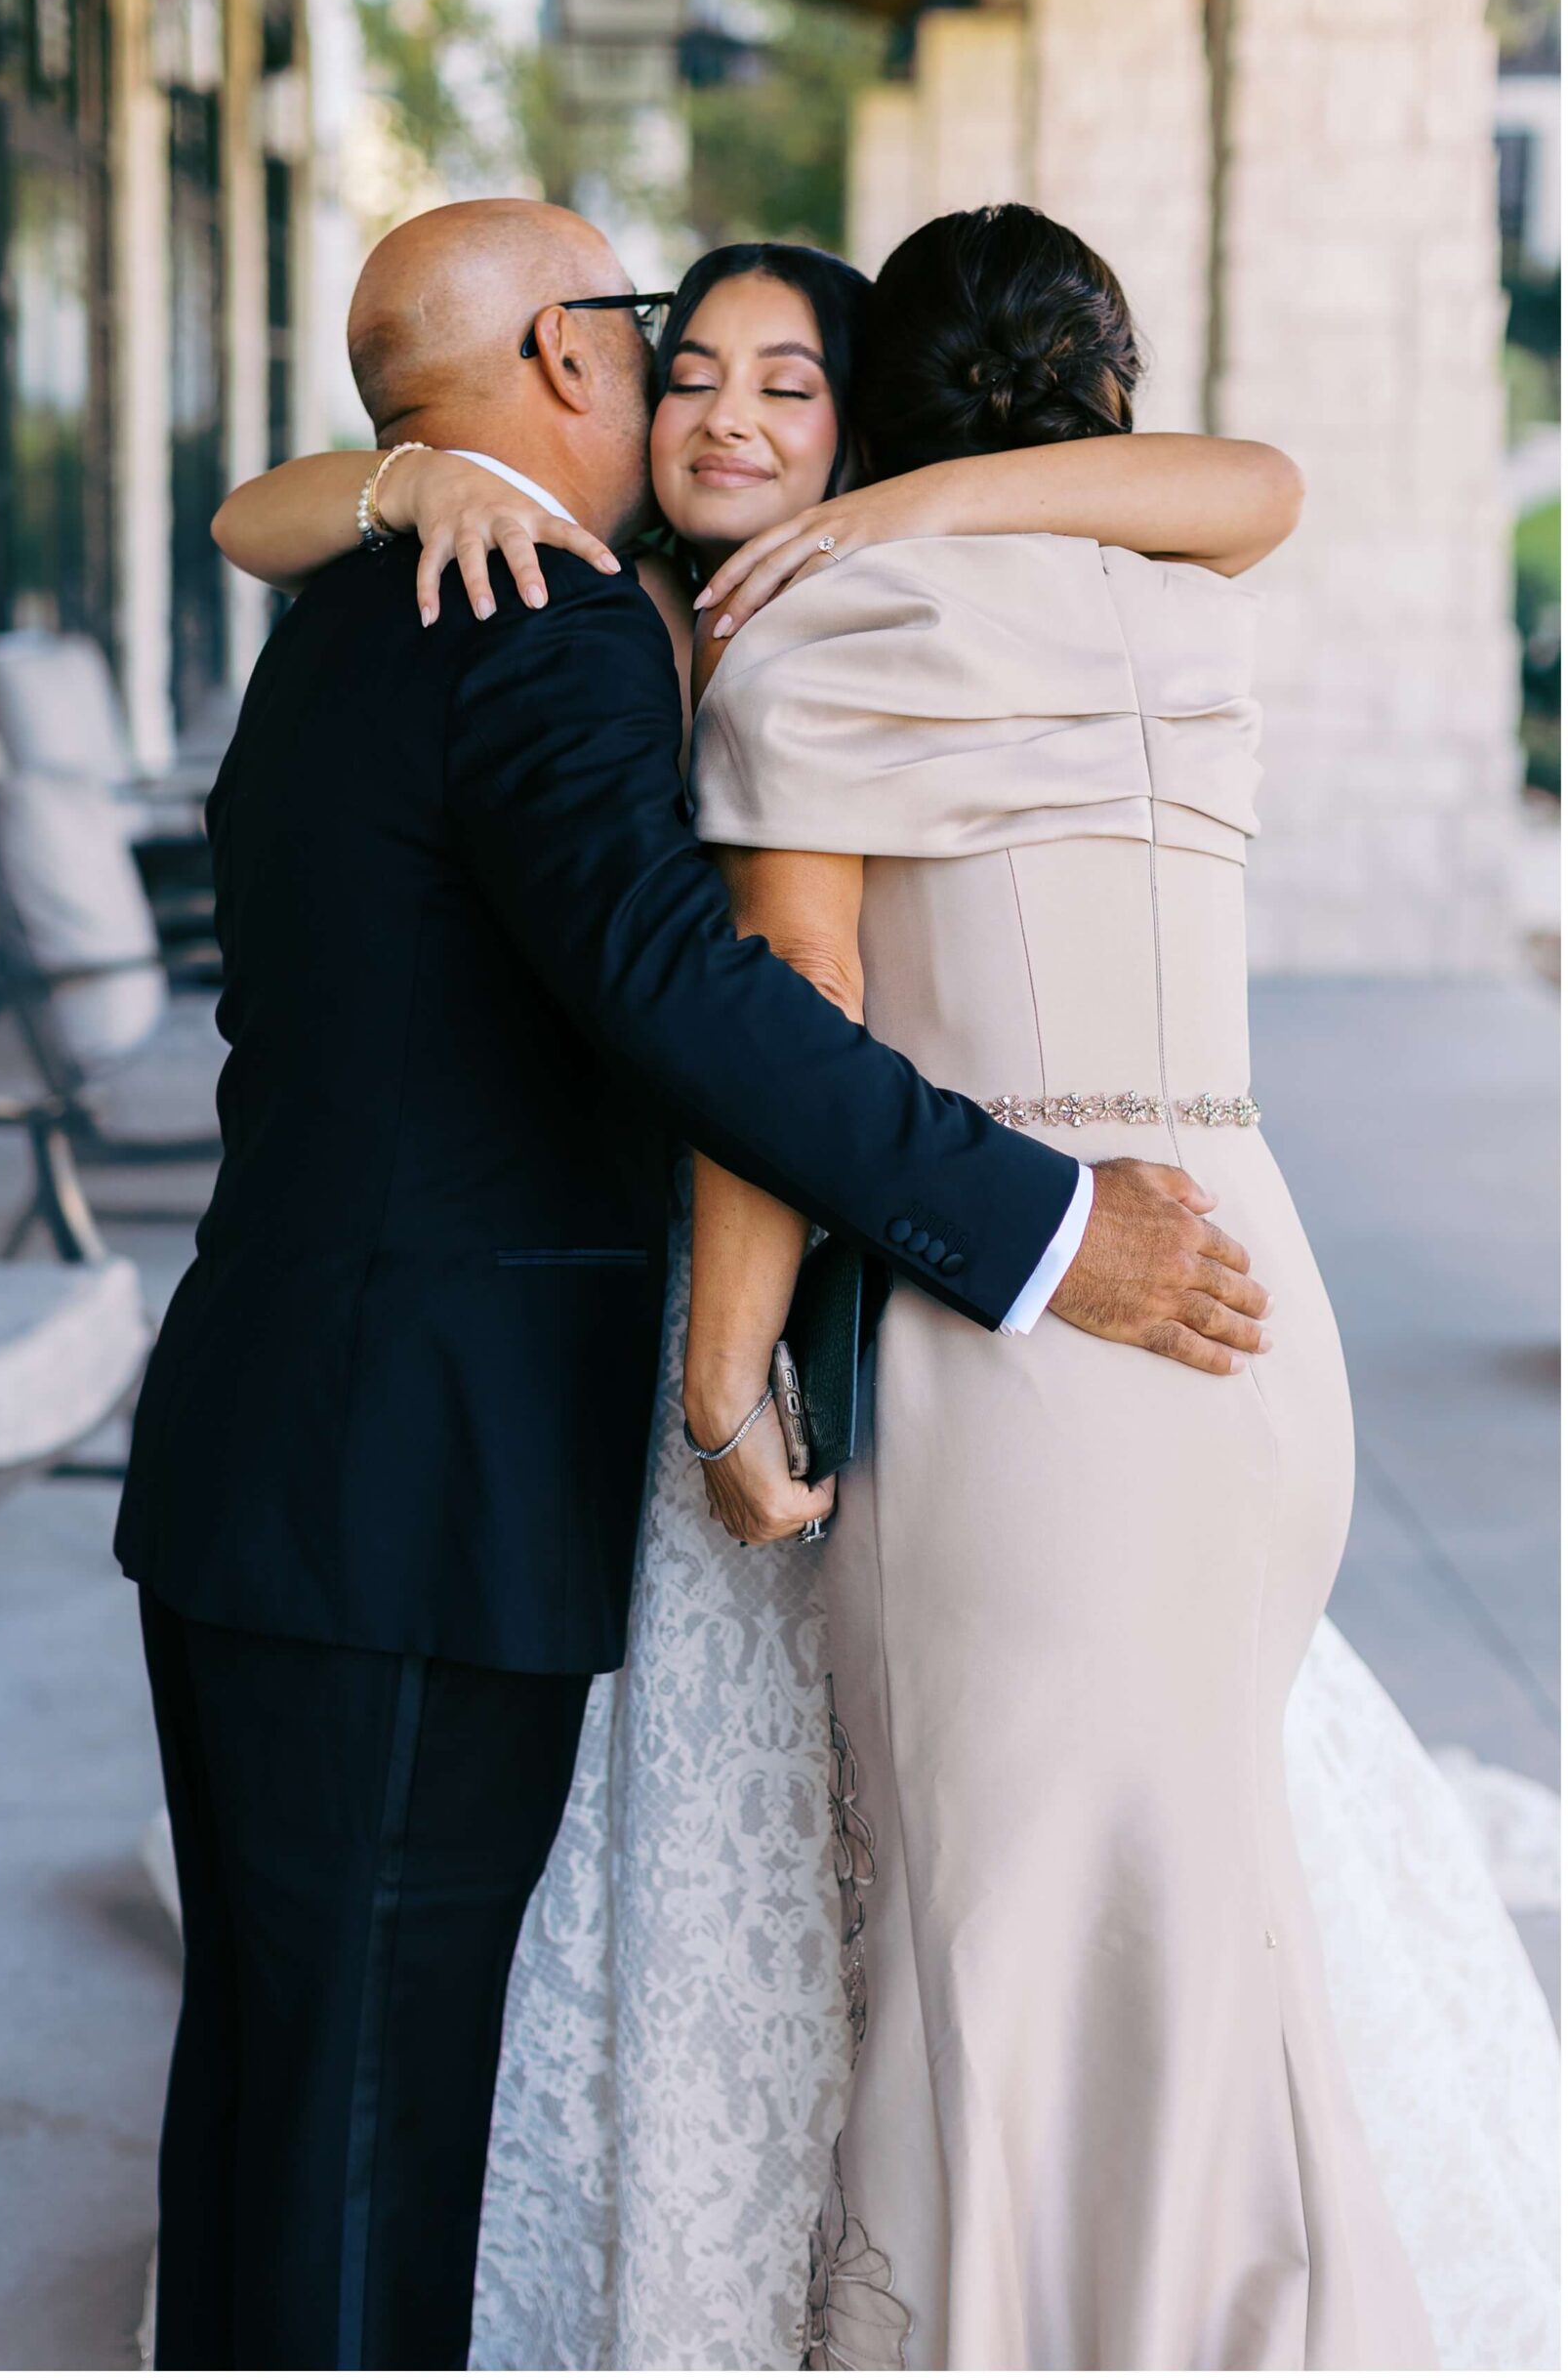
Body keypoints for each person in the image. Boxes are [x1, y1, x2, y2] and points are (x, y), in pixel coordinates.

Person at [212, 223, 1557, 2372]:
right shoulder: (1101, 611)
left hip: (981, 1326)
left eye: (786, 381)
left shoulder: (806, 623)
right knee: (1126, 1905)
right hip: (1201, 1299)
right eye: (689, 369)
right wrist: (402, 477)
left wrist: (729, 1382)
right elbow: (1244, 491)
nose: (725, 414)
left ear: (869, 415)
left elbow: (781, 991)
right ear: (594, 383)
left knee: (1014, 1938)